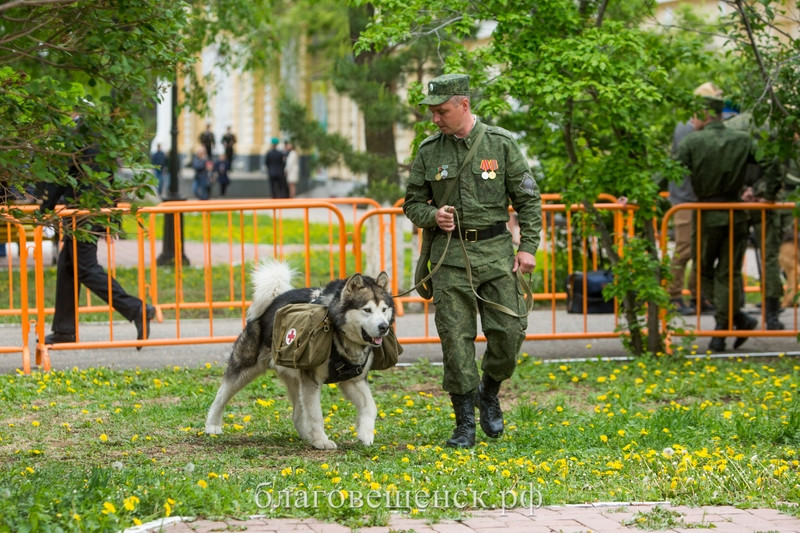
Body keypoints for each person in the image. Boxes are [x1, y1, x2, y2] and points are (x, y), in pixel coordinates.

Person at [403, 73, 542, 448]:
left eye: (441, 110)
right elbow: (412, 203)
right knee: (455, 340)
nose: (435, 119)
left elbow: (528, 200)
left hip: (497, 256)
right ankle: (464, 422)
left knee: (509, 335)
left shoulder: (500, 144)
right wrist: (434, 217)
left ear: (463, 104)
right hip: (449, 258)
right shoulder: (430, 151)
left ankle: (489, 391)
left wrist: (528, 247)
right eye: (431, 111)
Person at [39, 113, 155, 348]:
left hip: (82, 213)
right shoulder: (102, 136)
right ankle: (64, 330)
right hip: (92, 211)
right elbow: (111, 180)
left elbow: (60, 177)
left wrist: (42, 207)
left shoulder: (76, 135)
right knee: (68, 267)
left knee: (86, 269)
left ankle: (137, 309)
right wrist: (112, 220)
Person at [675, 92, 763, 352]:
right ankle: (734, 321)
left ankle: (722, 332)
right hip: (736, 213)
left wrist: (637, 196)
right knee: (729, 274)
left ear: (704, 115)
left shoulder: (693, 142)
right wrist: (757, 190)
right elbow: (770, 165)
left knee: (703, 272)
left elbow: (668, 172)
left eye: (694, 115)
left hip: (707, 214)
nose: (692, 121)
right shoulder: (742, 140)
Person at [667, 82, 721, 316]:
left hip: (699, 198)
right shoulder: (686, 128)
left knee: (701, 251)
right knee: (684, 249)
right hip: (685, 198)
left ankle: (699, 295)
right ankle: (673, 295)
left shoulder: (696, 127)